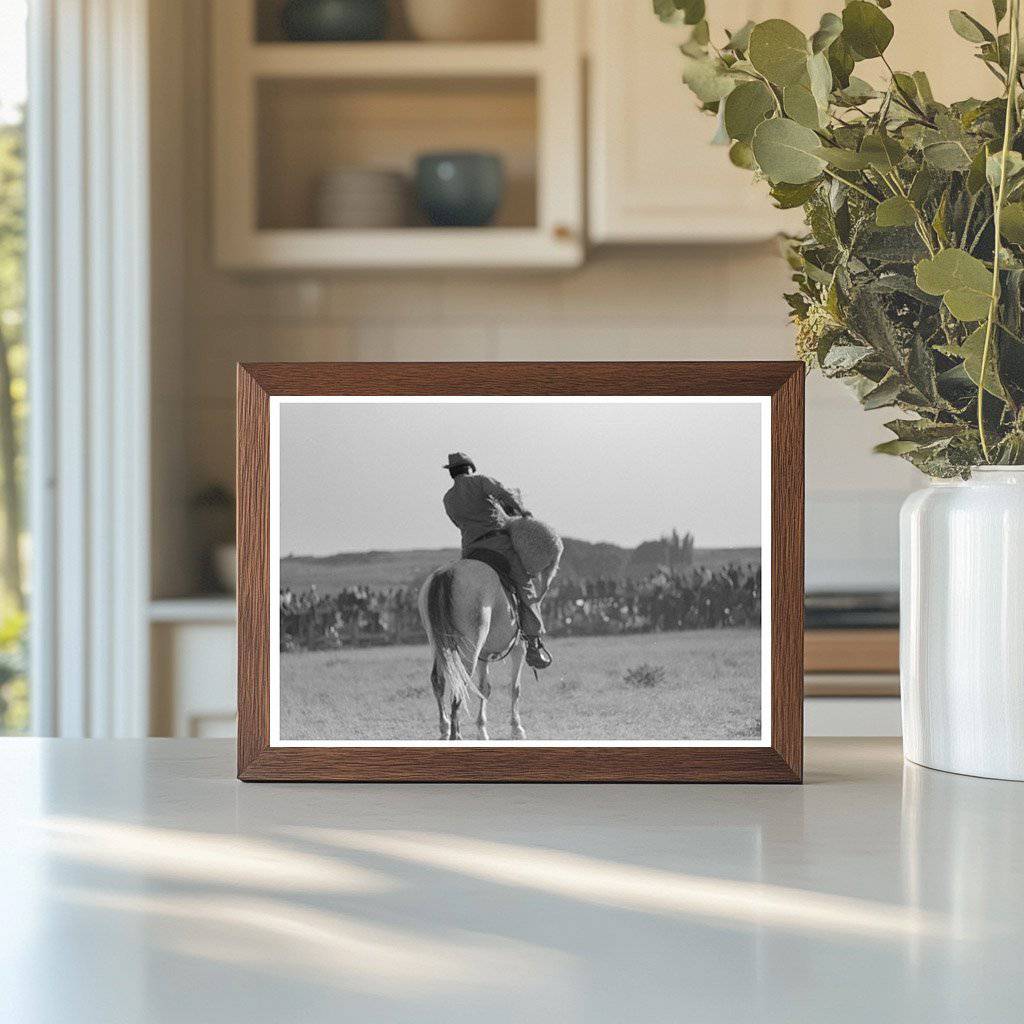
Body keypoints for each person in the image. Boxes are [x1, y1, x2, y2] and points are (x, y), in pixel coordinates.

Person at [441, 451, 552, 670]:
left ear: (452, 473)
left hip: (471, 552)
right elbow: (504, 495)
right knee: (524, 583)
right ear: (470, 468)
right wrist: (522, 511)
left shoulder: (448, 498)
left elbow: (457, 523)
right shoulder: (481, 481)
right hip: (497, 547)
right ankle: (533, 642)